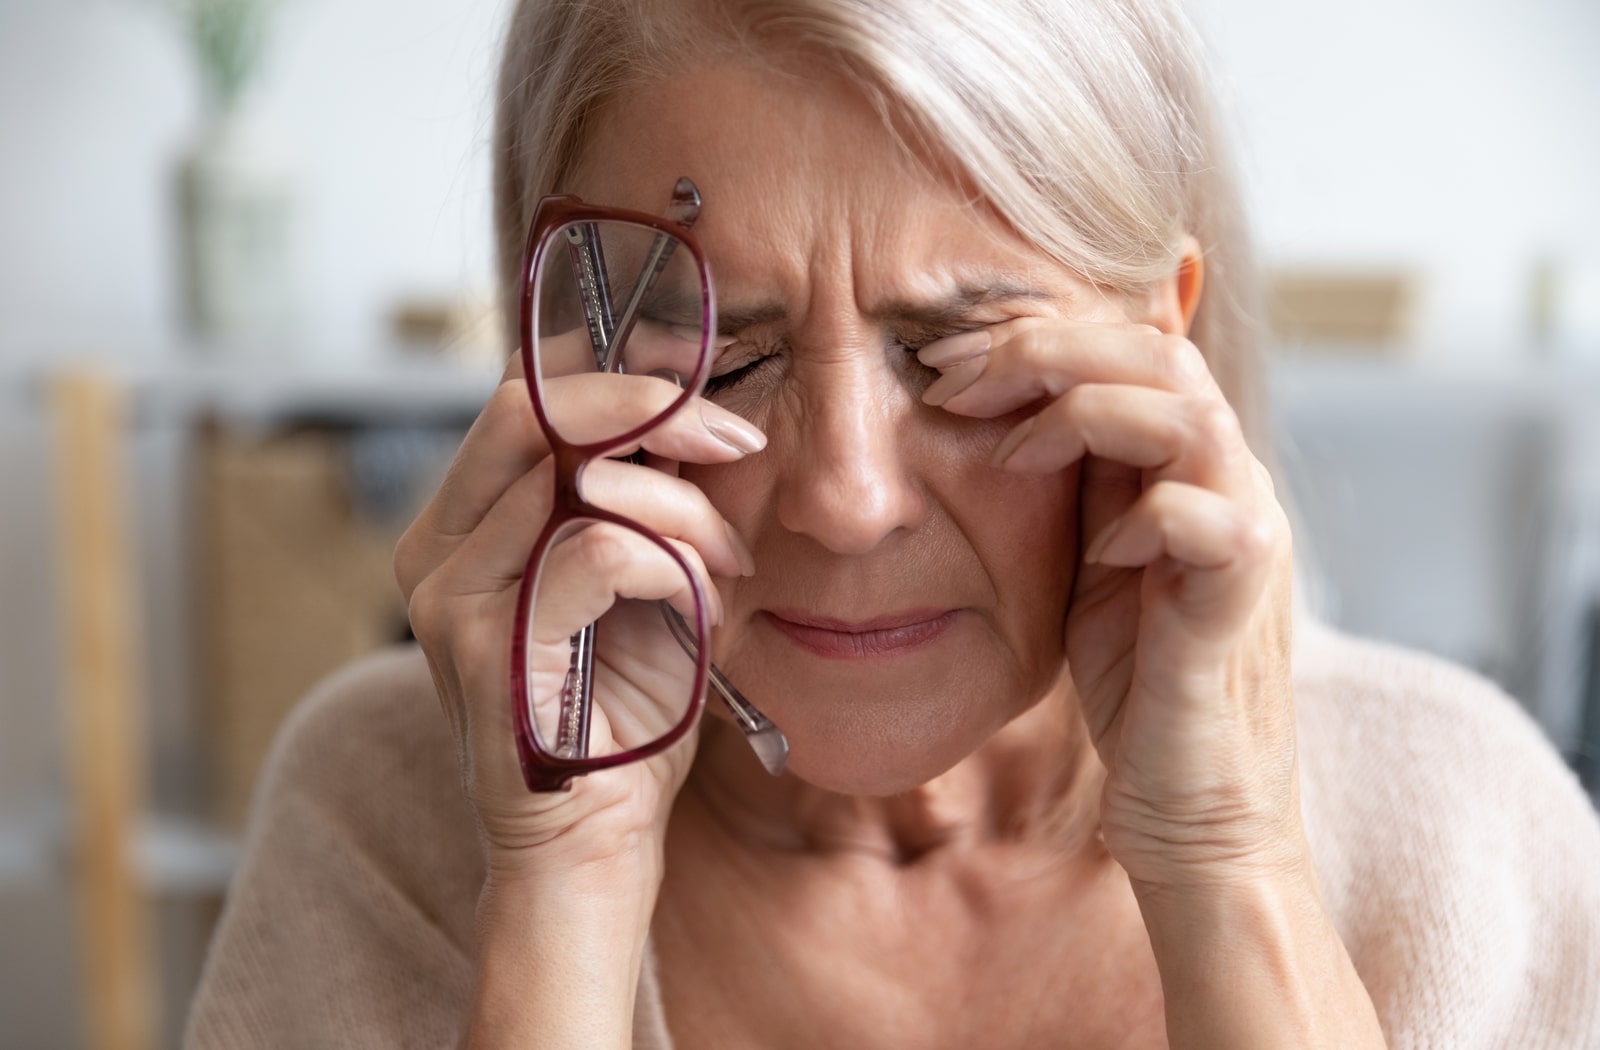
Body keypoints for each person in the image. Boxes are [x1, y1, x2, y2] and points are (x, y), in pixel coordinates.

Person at [185, 0, 1600, 1046]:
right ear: (560, 360)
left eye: (958, 354)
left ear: (1163, 344)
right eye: (725, 357)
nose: (848, 499)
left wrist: (1231, 856)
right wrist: (560, 887)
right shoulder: (384, 815)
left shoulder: (1461, 830)